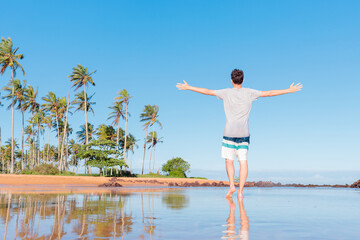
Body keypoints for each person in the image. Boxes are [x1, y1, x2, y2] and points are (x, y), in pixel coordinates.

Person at [176, 69, 302, 199]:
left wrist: (188, 87)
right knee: (243, 161)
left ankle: (232, 186)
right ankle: (240, 192)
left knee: (229, 161)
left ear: (231, 80)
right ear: (243, 80)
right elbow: (269, 93)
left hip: (229, 132)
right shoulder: (250, 93)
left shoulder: (225, 92)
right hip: (244, 134)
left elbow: (207, 91)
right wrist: (289, 90)